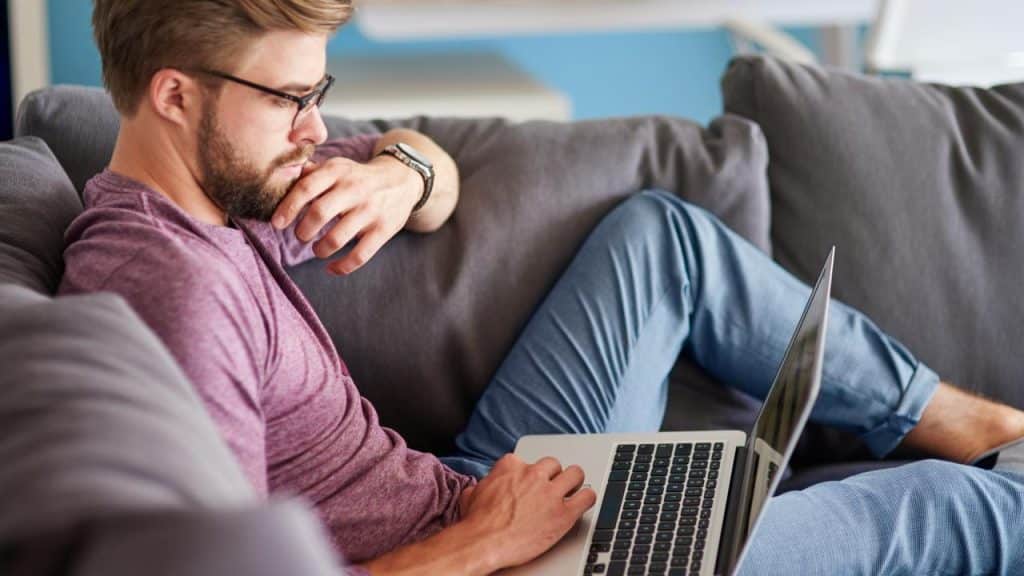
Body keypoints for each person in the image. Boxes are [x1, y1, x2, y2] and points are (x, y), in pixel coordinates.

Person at [59, 1, 1024, 574]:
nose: (315, 129)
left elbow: (430, 171)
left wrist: (402, 176)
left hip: (472, 492)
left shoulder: (228, 191)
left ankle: (973, 420)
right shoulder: (172, 294)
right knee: (947, 510)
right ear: (175, 94)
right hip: (494, 555)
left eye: (320, 95)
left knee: (664, 238)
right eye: (289, 101)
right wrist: (483, 545)